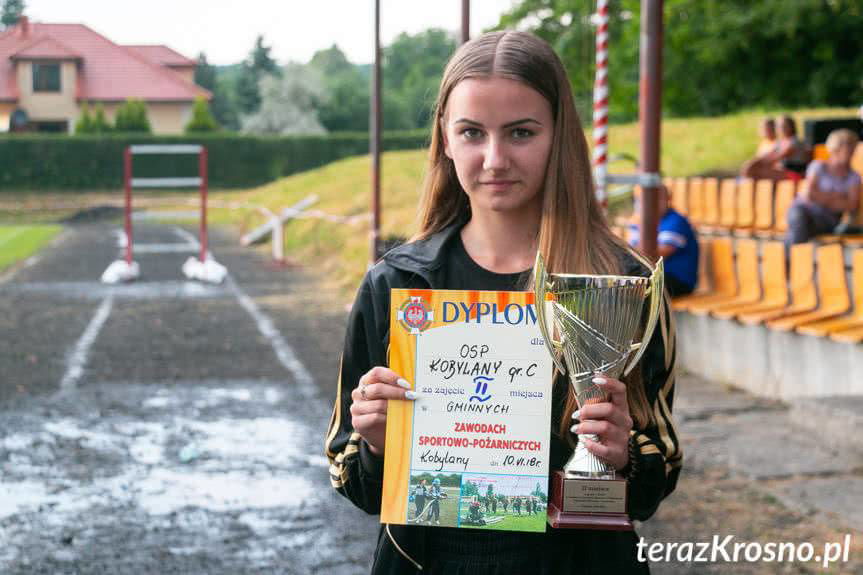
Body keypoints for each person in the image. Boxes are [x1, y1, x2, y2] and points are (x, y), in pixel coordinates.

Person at [325, 30, 682, 574]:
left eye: (521, 132)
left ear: (559, 136)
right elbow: (351, 475)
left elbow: (659, 474)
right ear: (445, 139)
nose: (495, 159)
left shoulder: (623, 284)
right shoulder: (396, 283)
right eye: (472, 132)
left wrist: (622, 457)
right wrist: (377, 444)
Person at [786, 128, 862, 245]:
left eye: (853, 148)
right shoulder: (818, 166)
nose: (851, 152)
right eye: (848, 147)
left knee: (799, 225)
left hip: (827, 219)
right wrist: (836, 197)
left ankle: (790, 254)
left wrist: (820, 197)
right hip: (803, 211)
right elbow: (808, 194)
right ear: (835, 148)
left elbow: (851, 205)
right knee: (798, 217)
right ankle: (793, 252)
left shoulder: (854, 177)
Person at [627, 186, 699, 297]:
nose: (653, 203)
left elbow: (654, 257)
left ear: (668, 199)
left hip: (677, 281)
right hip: (656, 277)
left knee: (635, 287)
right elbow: (633, 252)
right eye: (648, 199)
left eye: (658, 198)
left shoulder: (676, 221)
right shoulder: (640, 220)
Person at [741, 115, 810, 180]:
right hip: (785, 172)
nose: (781, 129)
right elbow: (769, 155)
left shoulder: (795, 142)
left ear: (791, 127)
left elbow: (776, 157)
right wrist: (752, 163)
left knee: (757, 172)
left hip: (796, 174)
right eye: (779, 126)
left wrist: (758, 163)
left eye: (784, 126)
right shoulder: (781, 142)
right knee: (753, 171)